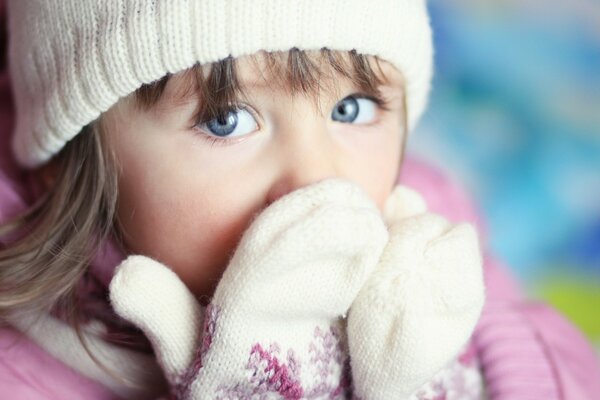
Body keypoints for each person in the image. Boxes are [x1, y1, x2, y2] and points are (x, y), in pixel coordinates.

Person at [0, 1, 598, 399]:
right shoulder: (23, 364)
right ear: (66, 161)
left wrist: (452, 371)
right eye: (227, 120)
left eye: (351, 109)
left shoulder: (422, 224)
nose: (320, 182)